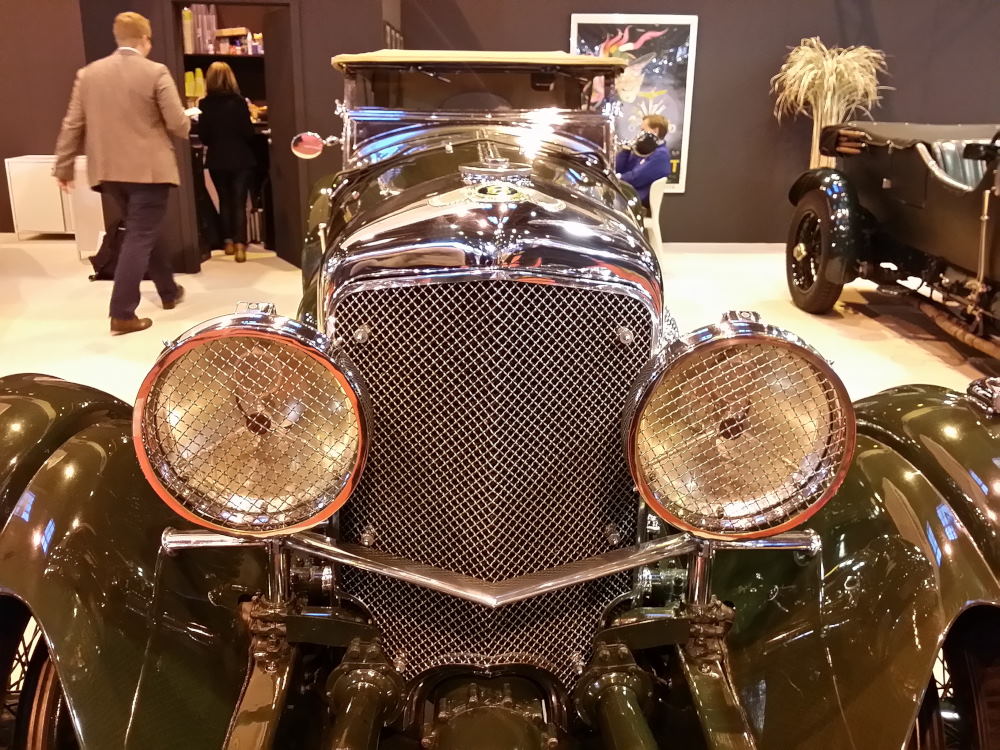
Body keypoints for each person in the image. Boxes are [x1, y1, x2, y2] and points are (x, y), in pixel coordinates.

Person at [53, 12, 191, 336]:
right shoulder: (155, 71)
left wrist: (63, 166)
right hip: (149, 171)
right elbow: (178, 124)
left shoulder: (89, 74)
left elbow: (72, 124)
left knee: (142, 230)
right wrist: (186, 120)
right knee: (140, 235)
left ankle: (168, 290)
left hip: (109, 172)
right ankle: (122, 313)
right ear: (145, 39)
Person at [198, 62, 257, 263]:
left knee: (224, 200)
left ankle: (228, 242)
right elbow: (248, 133)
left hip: (217, 159)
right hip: (241, 158)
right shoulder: (239, 103)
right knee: (239, 201)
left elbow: (204, 136)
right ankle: (240, 245)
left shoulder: (204, 104)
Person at [615, 114, 671, 212]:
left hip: (637, 203)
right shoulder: (643, 151)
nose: (639, 134)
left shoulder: (661, 155)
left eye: (643, 130)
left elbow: (635, 178)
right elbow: (619, 169)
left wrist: (615, 178)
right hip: (628, 197)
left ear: (655, 131)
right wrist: (626, 150)